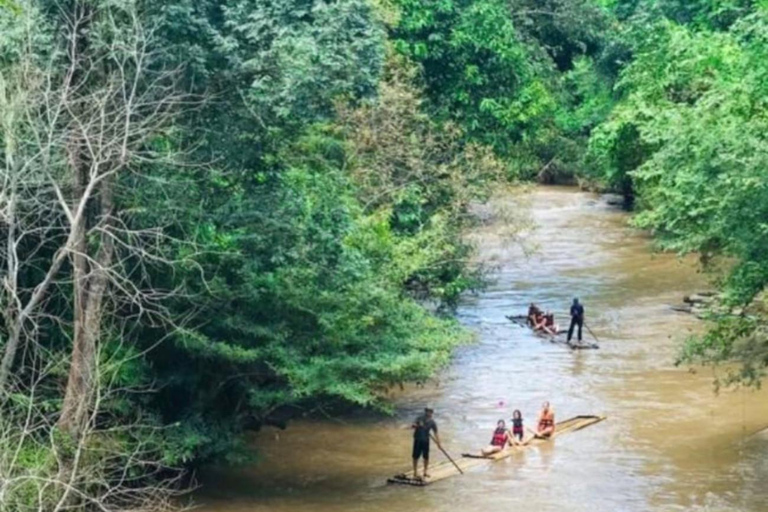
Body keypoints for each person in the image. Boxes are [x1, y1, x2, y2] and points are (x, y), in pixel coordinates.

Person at [412, 407, 440, 479]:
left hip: (426, 440)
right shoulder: (419, 418)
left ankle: (425, 472)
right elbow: (413, 425)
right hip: (418, 439)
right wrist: (417, 425)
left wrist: (438, 443)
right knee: (415, 456)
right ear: (426, 412)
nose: (429, 413)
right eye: (428, 412)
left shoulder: (432, 422)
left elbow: (435, 432)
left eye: (431, 412)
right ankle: (415, 472)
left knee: (426, 457)